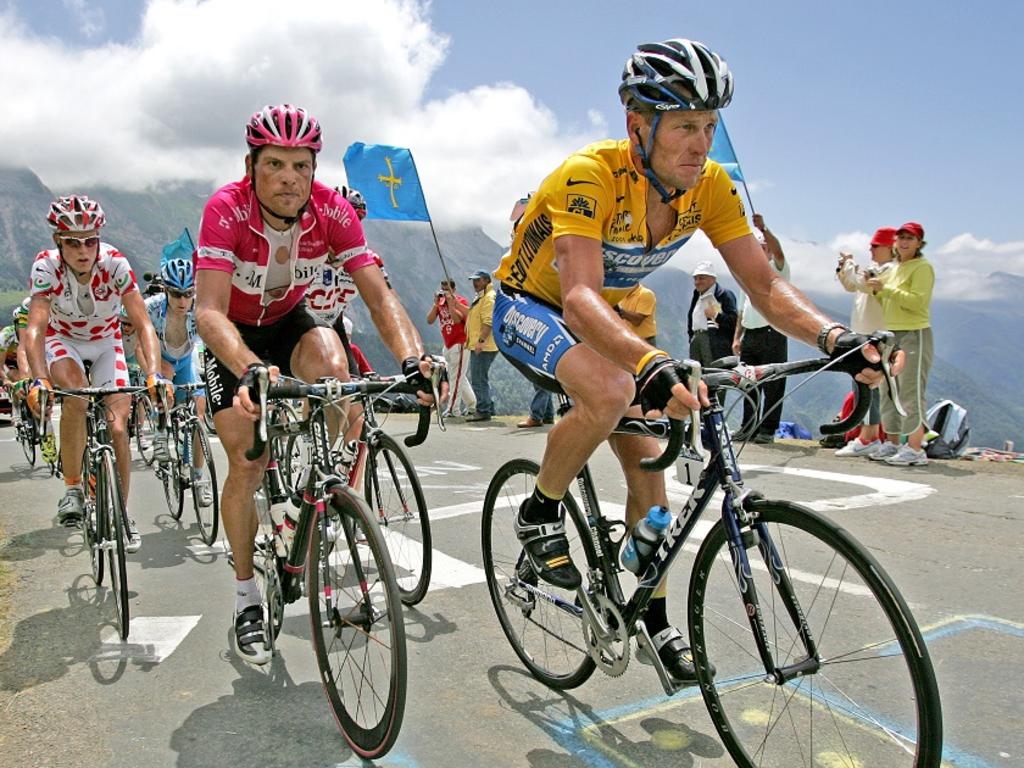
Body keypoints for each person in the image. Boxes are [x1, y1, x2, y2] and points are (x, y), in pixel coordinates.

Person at [491, 38, 894, 685]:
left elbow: (764, 286)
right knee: (612, 390)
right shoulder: (587, 175)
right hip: (527, 305)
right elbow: (579, 296)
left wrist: (834, 337)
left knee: (650, 461)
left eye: (709, 126)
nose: (699, 143)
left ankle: (651, 620)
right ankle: (540, 509)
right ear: (637, 126)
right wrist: (651, 361)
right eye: (683, 126)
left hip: (606, 318)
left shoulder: (710, 188)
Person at [195, 104, 441, 665]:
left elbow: (378, 295)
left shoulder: (331, 210)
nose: (289, 177)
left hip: (289, 323)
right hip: (232, 337)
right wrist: (246, 368)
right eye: (276, 164)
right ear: (251, 165)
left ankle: (320, 492)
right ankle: (245, 596)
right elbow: (208, 312)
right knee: (247, 462)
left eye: (301, 165)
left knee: (337, 375)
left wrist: (412, 359)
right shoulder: (226, 210)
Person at [25, 195, 171, 544]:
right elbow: (35, 328)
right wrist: (39, 380)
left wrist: (153, 373)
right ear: (58, 241)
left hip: (107, 342)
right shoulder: (46, 267)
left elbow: (144, 324)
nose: (83, 250)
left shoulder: (115, 264)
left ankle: (121, 511)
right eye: (73, 242)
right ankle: (73, 488)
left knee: (118, 425)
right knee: (75, 395)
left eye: (90, 240)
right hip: (63, 340)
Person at [146, 258, 214, 507]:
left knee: (198, 408)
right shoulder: (152, 308)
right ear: (166, 290)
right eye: (176, 294)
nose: (183, 301)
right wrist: (153, 370)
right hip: (160, 359)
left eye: (188, 294)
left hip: (185, 361)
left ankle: (199, 477)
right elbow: (139, 340)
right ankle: (160, 432)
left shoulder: (198, 309)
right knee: (166, 391)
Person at [866, 221, 934, 466]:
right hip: (892, 332)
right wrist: (878, 290)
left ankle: (915, 447)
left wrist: (887, 289)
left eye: (910, 238)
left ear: (919, 244)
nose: (904, 242)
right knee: (889, 389)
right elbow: (888, 299)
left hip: (915, 333)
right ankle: (892, 442)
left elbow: (918, 302)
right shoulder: (894, 268)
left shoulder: (922, 267)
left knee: (910, 391)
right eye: (901, 238)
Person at [833, 226, 898, 456]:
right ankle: (867, 435)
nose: (870, 249)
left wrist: (849, 263)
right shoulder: (877, 269)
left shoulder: (890, 270)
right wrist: (844, 267)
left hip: (876, 336)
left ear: (889, 247)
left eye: (875, 245)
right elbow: (851, 284)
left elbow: (861, 284)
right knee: (863, 386)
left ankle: (869, 437)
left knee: (870, 387)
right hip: (864, 335)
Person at [732, 214, 790, 443]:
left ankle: (767, 430)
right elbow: (741, 310)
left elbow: (780, 253)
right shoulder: (746, 275)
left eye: (764, 246)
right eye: (759, 246)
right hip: (751, 334)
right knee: (748, 383)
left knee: (774, 384)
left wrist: (765, 229)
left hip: (772, 332)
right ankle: (748, 427)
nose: (763, 249)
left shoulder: (777, 270)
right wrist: (737, 337)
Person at [427, 278, 476, 418]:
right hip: (448, 344)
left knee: (456, 378)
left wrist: (451, 304)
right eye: (442, 289)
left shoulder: (460, 301)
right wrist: (436, 304)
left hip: (460, 344)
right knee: (459, 376)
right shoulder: (440, 303)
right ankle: (472, 403)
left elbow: (456, 320)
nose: (444, 292)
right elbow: (429, 320)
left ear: (453, 290)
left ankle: (453, 410)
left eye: (447, 289)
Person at [465, 269, 497, 422]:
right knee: (481, 378)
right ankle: (488, 408)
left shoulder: (489, 298)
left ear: (486, 280)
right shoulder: (482, 297)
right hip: (481, 345)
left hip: (483, 346)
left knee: (478, 379)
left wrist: (480, 342)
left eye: (477, 280)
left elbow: (488, 322)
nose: (474, 283)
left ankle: (483, 410)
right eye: (473, 280)